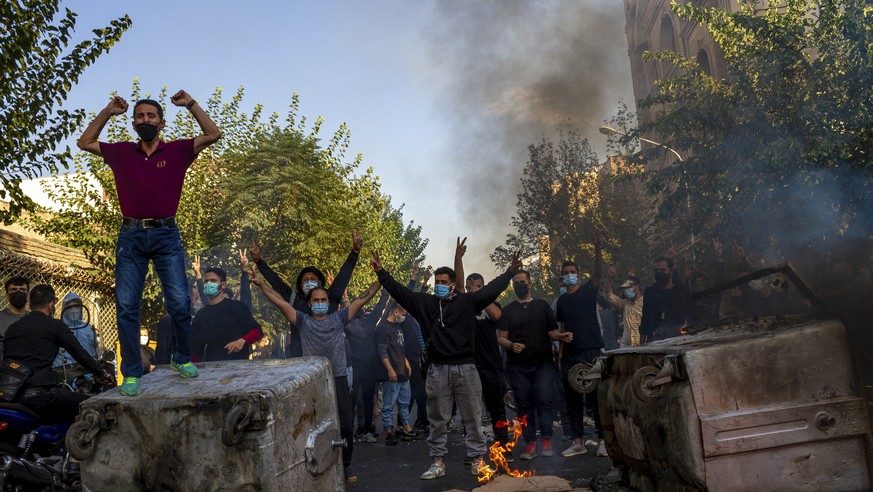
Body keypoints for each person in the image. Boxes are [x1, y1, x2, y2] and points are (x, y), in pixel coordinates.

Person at [77, 91, 222, 396]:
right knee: (127, 307)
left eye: (150, 116)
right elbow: (85, 142)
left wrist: (191, 105)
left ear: (161, 122)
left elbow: (213, 133)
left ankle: (181, 358)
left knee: (180, 303)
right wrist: (107, 111)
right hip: (130, 236)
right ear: (133, 122)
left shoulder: (178, 151)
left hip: (167, 234)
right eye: (140, 116)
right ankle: (131, 373)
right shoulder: (121, 152)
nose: (145, 120)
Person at [371, 248, 522, 480]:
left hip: (467, 368)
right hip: (437, 369)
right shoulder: (426, 303)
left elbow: (492, 289)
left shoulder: (468, 302)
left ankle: (478, 459)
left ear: (453, 284)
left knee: (472, 416)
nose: (438, 285)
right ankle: (437, 461)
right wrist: (381, 273)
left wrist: (510, 272)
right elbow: (400, 292)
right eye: (436, 281)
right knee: (438, 419)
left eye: (443, 281)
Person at [251, 265, 381, 485]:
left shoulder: (338, 318)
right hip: (313, 381)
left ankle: (346, 463)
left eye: (324, 300)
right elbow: (280, 301)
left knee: (346, 425)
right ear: (309, 303)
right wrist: (262, 284)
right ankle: (313, 465)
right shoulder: (302, 321)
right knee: (312, 425)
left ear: (329, 303)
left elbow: (362, 299)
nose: (320, 303)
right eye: (316, 300)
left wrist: (381, 278)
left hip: (338, 377)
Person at [3, 284, 113, 423]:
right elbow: (80, 354)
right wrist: (101, 373)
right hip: (41, 395)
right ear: (51, 305)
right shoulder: (54, 325)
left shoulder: (13, 328)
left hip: (12, 395)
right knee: (96, 406)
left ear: (30, 304)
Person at [497, 269, 572, 461]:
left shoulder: (542, 306)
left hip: (543, 364)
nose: (519, 285)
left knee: (545, 398)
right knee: (523, 405)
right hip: (517, 367)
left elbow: (552, 331)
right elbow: (501, 338)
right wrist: (512, 345)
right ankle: (530, 444)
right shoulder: (508, 310)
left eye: (522, 281)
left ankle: (546, 439)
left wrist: (561, 336)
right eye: (516, 282)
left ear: (529, 283)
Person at [250, 232, 362, 358]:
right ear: (301, 284)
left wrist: (355, 253)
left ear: (320, 282)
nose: (309, 281)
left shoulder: (331, 296)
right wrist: (259, 261)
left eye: (313, 279)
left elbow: (343, 276)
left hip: (332, 361)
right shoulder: (294, 299)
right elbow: (277, 283)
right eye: (305, 279)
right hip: (302, 361)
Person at [556, 243, 607, 458]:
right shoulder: (561, 302)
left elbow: (598, 272)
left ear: (578, 275)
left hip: (591, 352)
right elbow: (561, 329)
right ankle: (578, 441)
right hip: (570, 355)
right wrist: (559, 356)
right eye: (566, 273)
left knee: (596, 399)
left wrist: (597, 248)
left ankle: (603, 440)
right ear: (562, 278)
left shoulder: (588, 291)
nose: (569, 276)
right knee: (572, 399)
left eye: (572, 273)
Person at [465, 273, 510, 456]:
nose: (473, 290)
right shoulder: (464, 306)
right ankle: (474, 453)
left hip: (491, 366)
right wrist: (469, 295)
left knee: (497, 409)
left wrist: (481, 295)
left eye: (478, 286)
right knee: (470, 412)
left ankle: (503, 448)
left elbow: (496, 315)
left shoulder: (493, 305)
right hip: (469, 366)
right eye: (470, 287)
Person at [190, 267, 263, 362]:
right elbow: (196, 350)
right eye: (206, 281)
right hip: (213, 369)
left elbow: (257, 332)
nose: (209, 284)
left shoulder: (237, 307)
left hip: (239, 368)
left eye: (213, 280)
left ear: (223, 284)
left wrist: (242, 341)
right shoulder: (201, 315)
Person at [346, 288, 389, 443]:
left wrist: (385, 289)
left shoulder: (353, 323)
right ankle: (355, 430)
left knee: (366, 399)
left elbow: (381, 305)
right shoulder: (350, 322)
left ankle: (364, 430)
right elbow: (381, 305)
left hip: (366, 367)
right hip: (356, 367)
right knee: (356, 400)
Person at [377, 302, 417, 445]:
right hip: (393, 373)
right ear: (395, 312)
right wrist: (390, 369)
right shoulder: (383, 328)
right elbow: (382, 351)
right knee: (389, 404)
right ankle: (388, 431)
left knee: (404, 402)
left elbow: (400, 348)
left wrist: (406, 363)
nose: (404, 316)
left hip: (403, 372)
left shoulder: (398, 326)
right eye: (403, 313)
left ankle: (406, 426)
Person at [639, 256, 693, 343]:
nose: (659, 273)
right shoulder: (650, 292)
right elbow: (645, 317)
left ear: (671, 271)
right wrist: (641, 343)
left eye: (663, 270)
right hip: (654, 339)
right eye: (656, 271)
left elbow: (690, 316)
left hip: (678, 339)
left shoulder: (681, 292)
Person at [53, 293, 100, 368]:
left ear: (81, 308)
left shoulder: (89, 329)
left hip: (87, 372)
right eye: (70, 307)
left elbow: (96, 353)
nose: (74, 310)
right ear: (64, 309)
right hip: (65, 373)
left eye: (77, 306)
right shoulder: (58, 329)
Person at [603, 270, 644, 347]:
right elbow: (608, 295)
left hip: (643, 344)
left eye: (628, 287)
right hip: (625, 345)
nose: (626, 291)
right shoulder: (624, 304)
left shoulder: (646, 302)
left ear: (637, 287)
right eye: (624, 289)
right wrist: (609, 280)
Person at [0, 276, 30, 359]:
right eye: (14, 290)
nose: (18, 292)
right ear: (7, 295)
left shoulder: (35, 319)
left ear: (28, 295)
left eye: (22, 290)